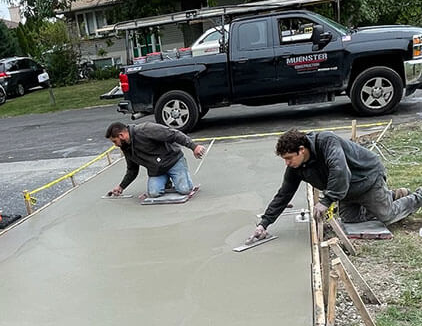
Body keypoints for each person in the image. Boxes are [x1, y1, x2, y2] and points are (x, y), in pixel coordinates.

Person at [248, 129, 422, 242]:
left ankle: (417, 196)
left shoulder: (326, 141)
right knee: (349, 220)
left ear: (302, 150)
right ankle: (391, 196)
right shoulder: (296, 167)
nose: (287, 163)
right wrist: (264, 224)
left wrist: (326, 201)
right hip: (345, 191)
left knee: (387, 216)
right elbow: (283, 195)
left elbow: (340, 171)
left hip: (366, 179)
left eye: (288, 158)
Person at [105, 121, 206, 198]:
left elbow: (173, 134)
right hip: (157, 170)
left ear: (121, 135)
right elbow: (132, 170)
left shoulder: (145, 129)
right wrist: (121, 187)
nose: (115, 145)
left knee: (185, 190)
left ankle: (179, 177)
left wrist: (194, 147)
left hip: (173, 161)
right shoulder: (126, 147)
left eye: (115, 141)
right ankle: (166, 181)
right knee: (153, 193)